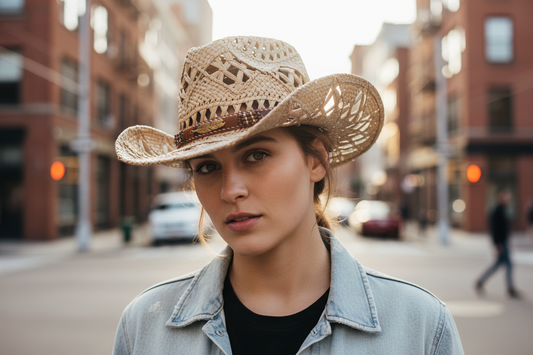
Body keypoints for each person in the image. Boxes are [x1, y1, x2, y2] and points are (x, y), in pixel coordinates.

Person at [113, 36, 464, 355]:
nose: (231, 190)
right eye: (207, 167)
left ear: (316, 161)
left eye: (256, 155)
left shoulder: (419, 328)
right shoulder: (145, 328)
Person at [475, 188, 520, 298]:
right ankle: (510, 289)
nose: (507, 198)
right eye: (505, 195)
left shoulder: (504, 209)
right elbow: (494, 229)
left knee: (498, 265)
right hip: (501, 243)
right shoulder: (497, 211)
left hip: (504, 242)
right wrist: (497, 244)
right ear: (500, 197)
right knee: (508, 265)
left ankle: (480, 281)